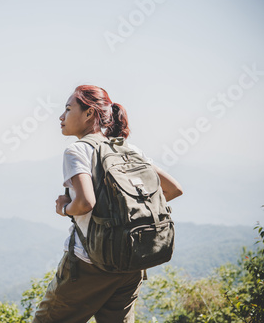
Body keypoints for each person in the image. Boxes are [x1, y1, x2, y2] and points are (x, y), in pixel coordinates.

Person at [32, 85, 183, 323]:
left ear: (89, 113)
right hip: (131, 260)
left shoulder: (78, 150)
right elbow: (173, 189)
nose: (61, 117)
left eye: (68, 109)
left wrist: (64, 208)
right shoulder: (128, 149)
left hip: (89, 263)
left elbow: (84, 203)